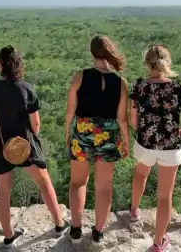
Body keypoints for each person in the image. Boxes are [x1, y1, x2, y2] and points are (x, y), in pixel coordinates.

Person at [0, 46, 69, 247]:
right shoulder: (25, 89)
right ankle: (59, 224)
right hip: (24, 143)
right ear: (18, 66)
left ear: (1, 65)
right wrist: (29, 142)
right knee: (44, 182)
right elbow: (36, 125)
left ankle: (9, 236)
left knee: (3, 189)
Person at [128, 44, 181, 252]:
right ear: (167, 63)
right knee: (164, 196)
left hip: (145, 142)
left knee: (140, 175)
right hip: (171, 146)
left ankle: (134, 211)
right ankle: (158, 242)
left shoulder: (139, 87)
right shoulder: (178, 88)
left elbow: (133, 120)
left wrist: (143, 129)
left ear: (147, 63)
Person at [65, 35, 131, 245]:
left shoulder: (80, 76)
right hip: (109, 134)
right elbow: (123, 118)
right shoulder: (121, 83)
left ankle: (75, 230)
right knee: (104, 187)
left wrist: (68, 132)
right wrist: (126, 141)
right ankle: (98, 233)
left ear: (92, 53)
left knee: (77, 183)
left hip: (82, 132)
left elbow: (70, 111)